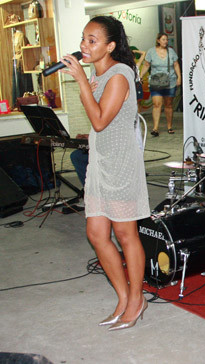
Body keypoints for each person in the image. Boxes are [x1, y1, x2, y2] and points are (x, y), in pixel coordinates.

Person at [61, 15, 150, 331]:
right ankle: (124, 297)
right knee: (97, 234)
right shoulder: (101, 76)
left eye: (92, 40)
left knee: (127, 235)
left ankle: (137, 298)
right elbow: (101, 124)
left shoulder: (120, 74)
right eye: (84, 38)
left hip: (122, 166)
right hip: (101, 165)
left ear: (110, 46)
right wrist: (89, 87)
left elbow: (100, 120)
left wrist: (84, 83)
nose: (84, 46)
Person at [140, 32, 181, 136]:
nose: (165, 41)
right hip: (156, 81)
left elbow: (176, 65)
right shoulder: (151, 52)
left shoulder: (171, 52)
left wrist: (179, 77)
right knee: (157, 104)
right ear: (158, 40)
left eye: (166, 40)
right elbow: (146, 65)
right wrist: (140, 76)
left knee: (168, 104)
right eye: (163, 39)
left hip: (170, 81)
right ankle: (155, 128)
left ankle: (169, 126)